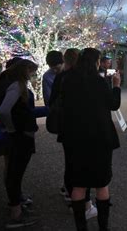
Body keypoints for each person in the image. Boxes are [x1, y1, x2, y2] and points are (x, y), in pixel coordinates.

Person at [61, 48, 121, 231]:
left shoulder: (67, 81)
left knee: (78, 184)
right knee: (101, 183)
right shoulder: (99, 82)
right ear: (96, 62)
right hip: (99, 138)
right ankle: (103, 227)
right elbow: (113, 104)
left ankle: (81, 227)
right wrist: (116, 85)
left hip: (75, 138)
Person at [0, 59, 40, 228]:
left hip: (13, 134)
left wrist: (0, 122)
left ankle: (15, 204)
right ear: (23, 70)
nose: (32, 74)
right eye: (31, 71)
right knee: (15, 172)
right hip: (20, 134)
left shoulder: (2, 83)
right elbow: (5, 110)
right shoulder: (17, 85)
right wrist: (10, 126)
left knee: (11, 171)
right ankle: (16, 214)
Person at [49, 48, 98, 220]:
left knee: (70, 162)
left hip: (65, 128)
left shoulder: (60, 77)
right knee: (83, 165)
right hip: (82, 129)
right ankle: (83, 204)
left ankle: (70, 194)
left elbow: (51, 101)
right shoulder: (80, 78)